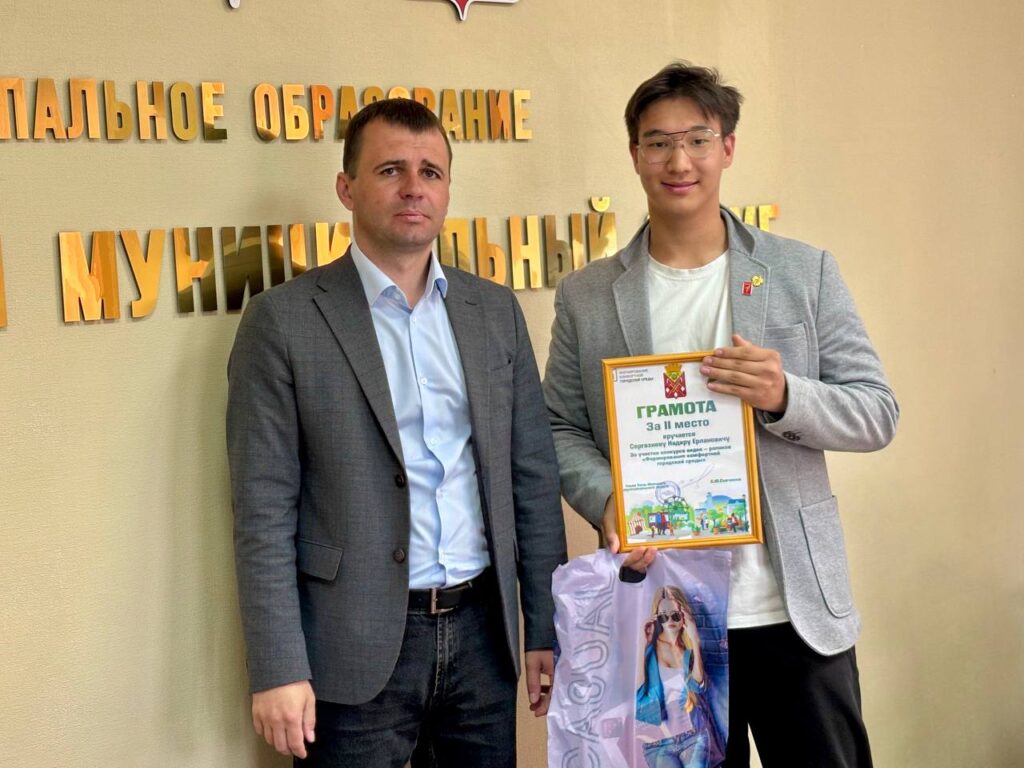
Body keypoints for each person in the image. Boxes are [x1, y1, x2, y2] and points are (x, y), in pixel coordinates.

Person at [543, 62, 898, 766]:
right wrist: (612, 500)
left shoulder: (802, 271)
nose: (679, 162)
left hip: (794, 609)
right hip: (672, 619)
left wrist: (785, 394)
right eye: (658, 143)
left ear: (727, 147)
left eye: (697, 140)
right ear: (635, 154)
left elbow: (875, 411)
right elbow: (559, 428)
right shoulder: (588, 295)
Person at [227, 97, 567, 767]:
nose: (414, 187)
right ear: (347, 188)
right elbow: (262, 510)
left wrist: (546, 628)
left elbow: (531, 477)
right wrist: (277, 666)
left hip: (483, 638)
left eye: (430, 172)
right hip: (351, 645)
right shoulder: (284, 322)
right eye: (390, 170)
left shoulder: (493, 311)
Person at [635, 586, 721, 768]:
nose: (670, 621)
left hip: (693, 736)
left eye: (675, 615)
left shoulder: (687, 650)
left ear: (684, 615)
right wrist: (642, 645)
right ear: (656, 618)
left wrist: (694, 640)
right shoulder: (649, 650)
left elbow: (699, 685)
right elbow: (638, 694)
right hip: (658, 743)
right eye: (663, 616)